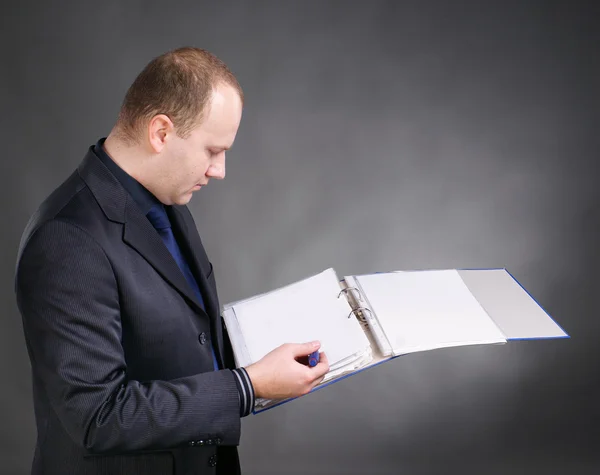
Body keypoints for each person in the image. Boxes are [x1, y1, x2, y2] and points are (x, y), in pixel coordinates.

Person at [14, 47, 330, 475]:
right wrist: (247, 386)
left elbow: (184, 339)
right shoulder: (66, 238)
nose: (219, 170)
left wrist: (288, 336)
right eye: (212, 150)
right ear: (161, 132)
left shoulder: (168, 202)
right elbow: (98, 416)